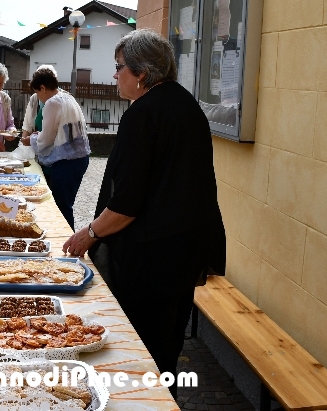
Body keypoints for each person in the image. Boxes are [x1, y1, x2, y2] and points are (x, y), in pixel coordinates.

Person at [62, 29, 226, 398]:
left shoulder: (145, 113)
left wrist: (88, 233)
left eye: (119, 67)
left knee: (139, 346)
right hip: (183, 250)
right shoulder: (184, 104)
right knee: (166, 344)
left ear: (142, 73)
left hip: (152, 257)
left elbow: (126, 205)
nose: (114, 75)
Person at [21, 67, 90, 231]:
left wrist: (29, 139)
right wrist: (40, 135)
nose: (39, 98)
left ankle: (65, 245)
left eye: (38, 93)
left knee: (61, 208)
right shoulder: (67, 97)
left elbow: (45, 141)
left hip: (67, 160)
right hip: (80, 158)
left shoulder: (52, 102)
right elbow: (56, 131)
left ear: (43, 88)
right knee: (65, 204)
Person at [21, 64, 59, 185]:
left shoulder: (56, 101)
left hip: (55, 158)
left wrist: (33, 139)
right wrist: (24, 149)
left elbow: (51, 136)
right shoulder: (35, 99)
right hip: (40, 155)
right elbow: (28, 125)